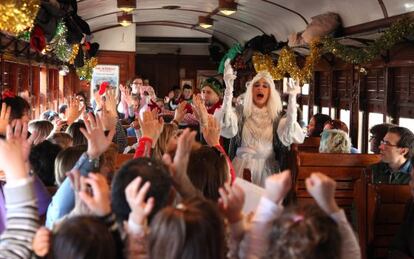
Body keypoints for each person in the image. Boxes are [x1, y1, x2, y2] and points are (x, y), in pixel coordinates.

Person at [215, 60, 305, 186]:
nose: (260, 88)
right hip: (241, 166)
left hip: (268, 169)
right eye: (256, 85)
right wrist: (228, 90)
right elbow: (226, 123)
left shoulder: (277, 118)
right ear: (251, 90)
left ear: (270, 92)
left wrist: (292, 99)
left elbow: (289, 133)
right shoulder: (241, 113)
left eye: (264, 85)